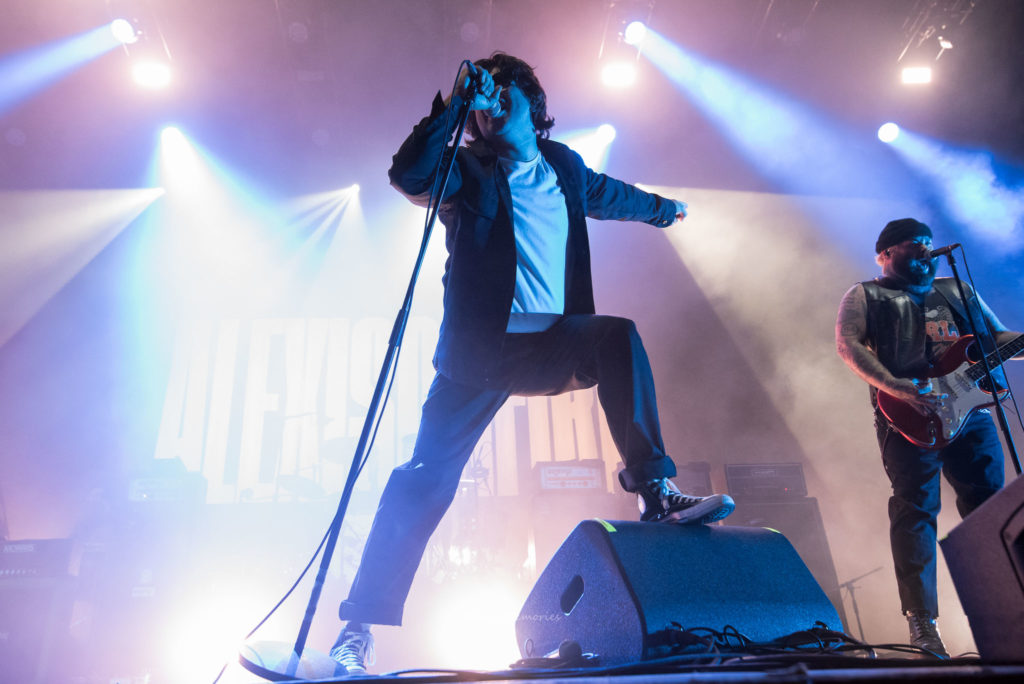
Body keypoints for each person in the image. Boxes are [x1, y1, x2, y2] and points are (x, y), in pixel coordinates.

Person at [328, 53, 735, 675]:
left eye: (501, 90)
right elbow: (409, 174)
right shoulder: (466, 169)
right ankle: (359, 627)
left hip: (553, 346)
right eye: (482, 100)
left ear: (529, 100)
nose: (490, 104)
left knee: (617, 336)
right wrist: (455, 105)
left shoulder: (564, 166)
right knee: (422, 480)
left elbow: (612, 195)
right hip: (478, 354)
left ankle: (655, 491)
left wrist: (665, 209)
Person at [835, 218, 1022, 657]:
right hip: (908, 418)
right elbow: (848, 345)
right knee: (916, 510)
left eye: (927, 243)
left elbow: (996, 337)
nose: (924, 250)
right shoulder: (865, 294)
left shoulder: (956, 289)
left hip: (971, 415)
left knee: (989, 510)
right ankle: (922, 623)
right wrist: (896, 387)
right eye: (912, 244)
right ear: (885, 254)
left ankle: (1007, 608)